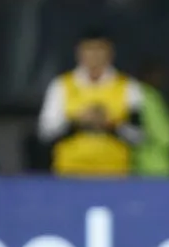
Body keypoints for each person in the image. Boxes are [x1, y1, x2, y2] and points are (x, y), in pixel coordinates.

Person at [37, 29, 143, 177]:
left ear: (110, 52)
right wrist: (77, 121)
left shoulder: (129, 87)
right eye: (88, 50)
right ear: (79, 52)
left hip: (115, 173)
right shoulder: (62, 85)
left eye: (99, 50)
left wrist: (111, 125)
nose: (94, 56)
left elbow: (139, 135)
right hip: (69, 172)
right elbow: (46, 132)